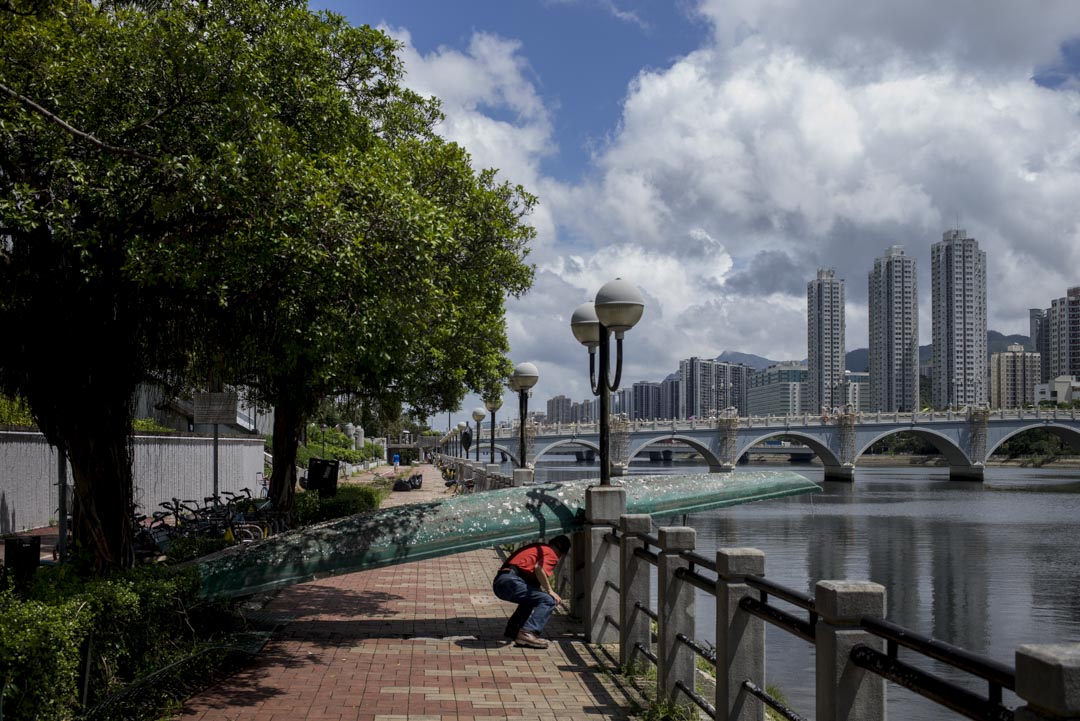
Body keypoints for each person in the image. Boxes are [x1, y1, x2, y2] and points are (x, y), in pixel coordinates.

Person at [492, 535, 571, 649]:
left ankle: (514, 630)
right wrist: (550, 591)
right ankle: (528, 633)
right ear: (563, 553)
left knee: (532, 598)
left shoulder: (538, 548)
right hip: (512, 581)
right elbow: (539, 568)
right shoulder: (551, 553)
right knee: (548, 600)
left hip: (501, 582)